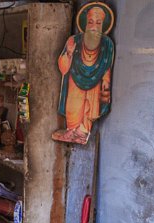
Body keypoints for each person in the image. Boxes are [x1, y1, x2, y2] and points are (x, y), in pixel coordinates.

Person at [52, 2, 114, 144]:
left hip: (95, 82)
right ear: (85, 23)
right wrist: (68, 53)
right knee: (73, 105)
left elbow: (106, 67)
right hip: (75, 79)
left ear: (103, 25)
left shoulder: (107, 44)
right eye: (90, 22)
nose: (93, 26)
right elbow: (63, 67)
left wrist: (105, 83)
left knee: (90, 107)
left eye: (98, 23)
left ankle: (83, 132)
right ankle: (71, 130)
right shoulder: (73, 40)